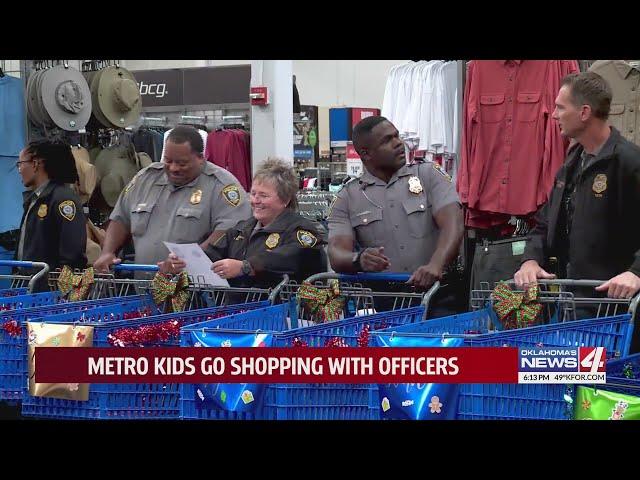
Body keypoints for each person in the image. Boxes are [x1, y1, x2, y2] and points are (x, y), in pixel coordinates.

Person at [514, 72, 640, 303]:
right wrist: (529, 260)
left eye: (560, 108)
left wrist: (636, 274)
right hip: (570, 302)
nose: (553, 115)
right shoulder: (572, 162)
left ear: (584, 113)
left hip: (614, 311)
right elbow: (545, 223)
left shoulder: (628, 162)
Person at [327, 116, 464, 313]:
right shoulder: (348, 196)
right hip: (386, 303)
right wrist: (358, 259)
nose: (398, 143)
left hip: (438, 296)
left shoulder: (428, 174)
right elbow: (336, 252)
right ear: (366, 153)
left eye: (397, 136)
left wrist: (436, 265)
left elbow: (454, 223)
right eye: (387, 140)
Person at [93, 125, 251, 273]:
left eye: (182, 163)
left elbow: (228, 234)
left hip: (195, 291)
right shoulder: (145, 179)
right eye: (168, 161)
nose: (174, 168)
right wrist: (108, 252)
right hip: (143, 288)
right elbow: (121, 219)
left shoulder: (222, 186)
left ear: (200, 158)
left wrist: (186, 260)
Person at [166, 158, 326, 288]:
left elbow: (291, 257)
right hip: (240, 314)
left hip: (286, 317)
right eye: (254, 193)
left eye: (263, 195)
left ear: (285, 199)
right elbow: (212, 253)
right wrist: (184, 260)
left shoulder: (302, 230)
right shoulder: (241, 229)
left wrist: (246, 267)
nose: (256, 200)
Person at [15, 140, 87, 291]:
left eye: (20, 164)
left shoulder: (63, 199)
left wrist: (62, 293)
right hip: (29, 287)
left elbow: (72, 253)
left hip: (49, 293)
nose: (19, 169)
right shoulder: (34, 199)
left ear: (35, 164)